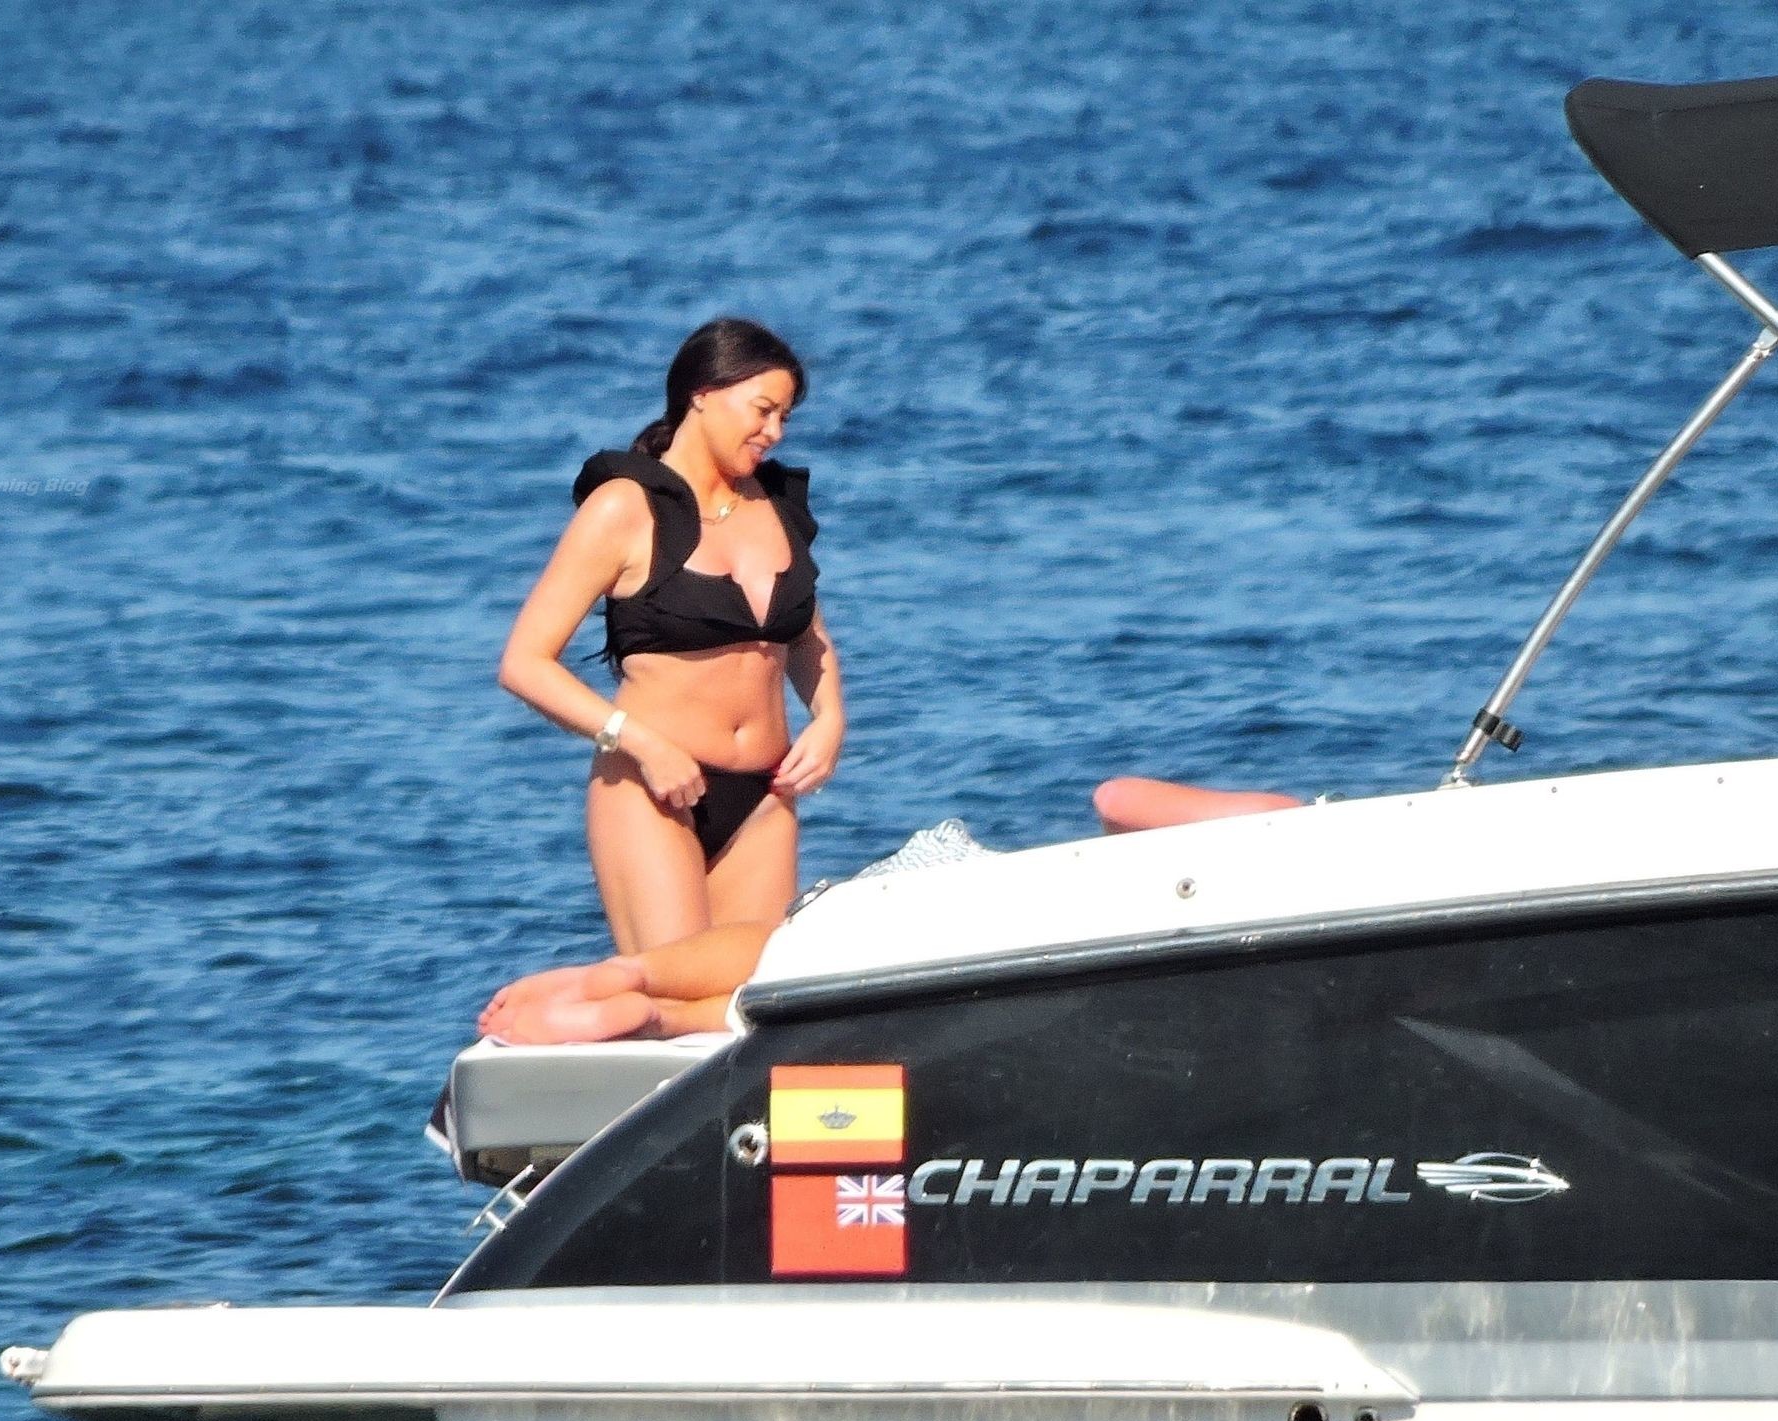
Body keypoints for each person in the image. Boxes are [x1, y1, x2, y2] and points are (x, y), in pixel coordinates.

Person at [498, 319, 846, 956]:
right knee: (667, 984)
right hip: (651, 787)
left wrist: (829, 719)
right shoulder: (625, 507)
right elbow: (525, 663)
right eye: (763, 410)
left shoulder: (776, 506)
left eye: (785, 418)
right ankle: (553, 1000)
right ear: (703, 394)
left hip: (766, 795)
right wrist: (640, 742)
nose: (774, 432)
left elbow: (805, 637)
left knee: (745, 991)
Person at [476, 778, 1301, 1043]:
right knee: (806, 980)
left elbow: (1115, 798)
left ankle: (627, 981)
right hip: (998, 946)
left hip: (975, 901)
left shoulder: (1296, 834)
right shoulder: (1305, 856)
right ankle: (655, 1012)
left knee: (796, 947)